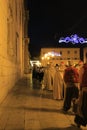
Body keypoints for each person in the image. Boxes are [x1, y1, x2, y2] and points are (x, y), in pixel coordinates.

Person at [74, 61, 87, 128]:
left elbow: (80, 80)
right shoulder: (83, 68)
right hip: (85, 89)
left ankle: (79, 122)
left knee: (81, 107)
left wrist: (80, 89)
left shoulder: (83, 68)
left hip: (85, 90)